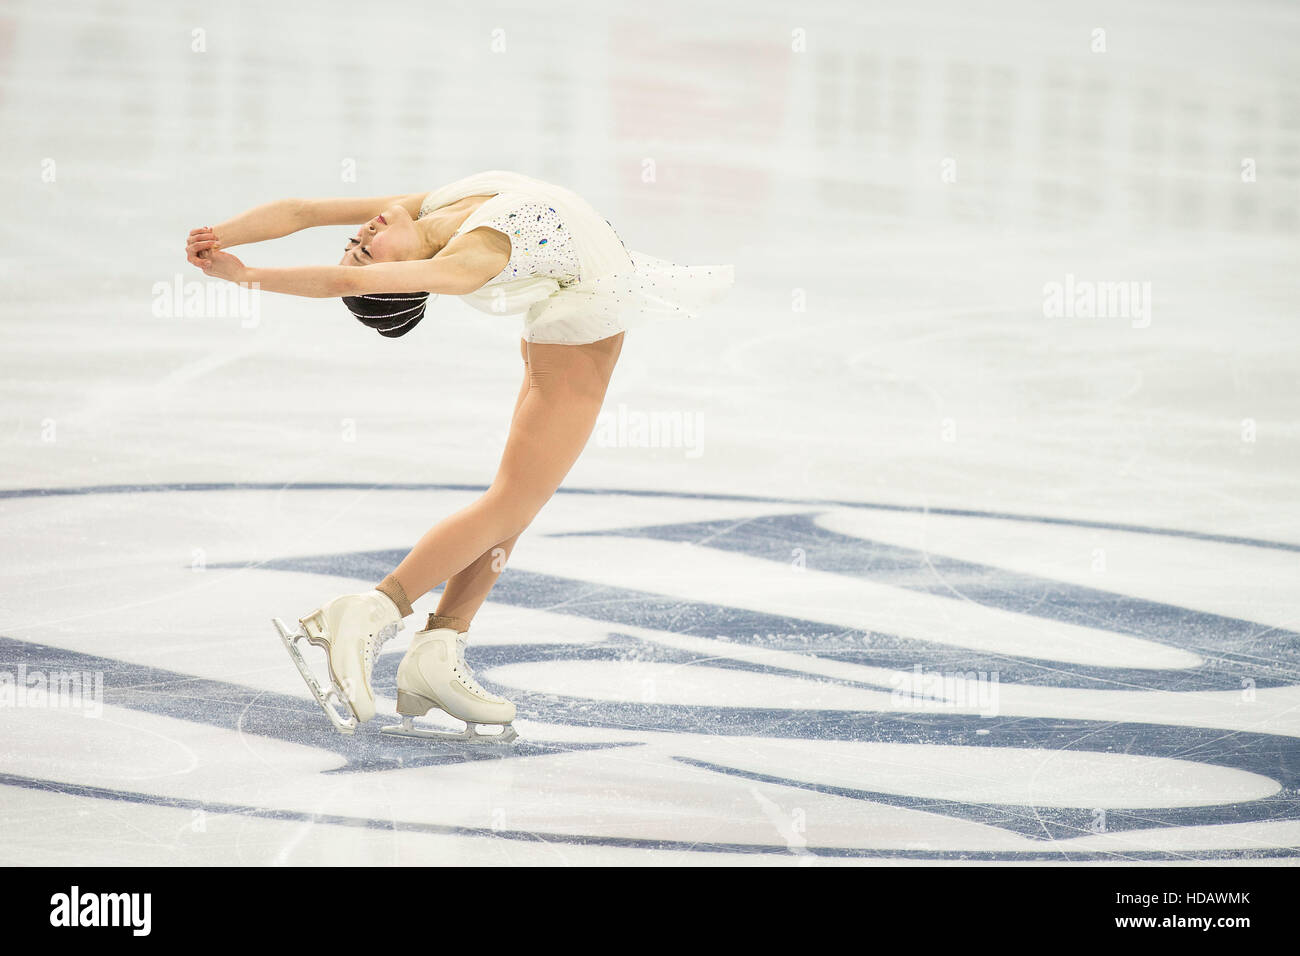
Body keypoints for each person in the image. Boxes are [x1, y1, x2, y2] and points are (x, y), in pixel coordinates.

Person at [188, 170, 734, 742]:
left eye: (356, 243)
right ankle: (371, 610)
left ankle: (439, 647)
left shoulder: (434, 206)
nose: (363, 235)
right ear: (395, 278)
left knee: (517, 504)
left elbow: (302, 210)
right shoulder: (466, 263)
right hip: (577, 333)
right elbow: (332, 282)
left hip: (571, 309)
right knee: (511, 504)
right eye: (366, 254)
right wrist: (246, 276)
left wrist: (217, 235)